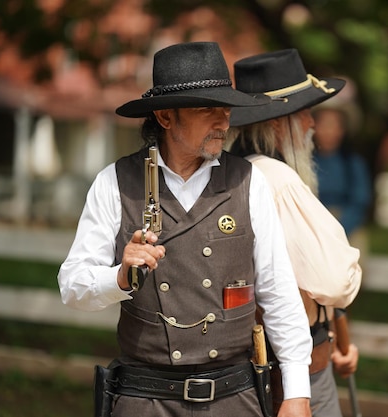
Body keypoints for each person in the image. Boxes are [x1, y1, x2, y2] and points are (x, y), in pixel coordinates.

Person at [57, 42, 313, 417]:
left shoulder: (249, 182)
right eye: (206, 109)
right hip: (146, 399)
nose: (223, 122)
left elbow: (278, 293)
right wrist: (121, 277)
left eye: (225, 109)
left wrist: (297, 392)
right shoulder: (115, 182)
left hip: (233, 398)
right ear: (164, 116)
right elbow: (73, 286)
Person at [226, 49, 362, 417]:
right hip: (298, 370)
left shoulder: (229, 171)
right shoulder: (279, 180)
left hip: (248, 365)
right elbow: (334, 283)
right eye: (304, 113)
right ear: (276, 124)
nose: (311, 124)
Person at [312, 102, 372, 266]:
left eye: (334, 125)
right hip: (312, 222)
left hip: (345, 223)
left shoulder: (353, 163)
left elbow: (360, 201)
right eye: (323, 124)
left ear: (342, 130)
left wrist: (339, 229)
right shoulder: (306, 161)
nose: (328, 131)